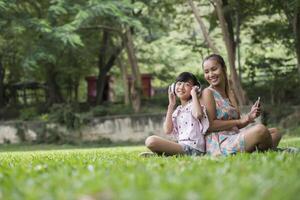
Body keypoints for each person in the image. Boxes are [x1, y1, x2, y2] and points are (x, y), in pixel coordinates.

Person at [201, 54, 282, 156]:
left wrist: (249, 117)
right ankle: (262, 150)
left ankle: (256, 151)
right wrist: (240, 120)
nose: (211, 74)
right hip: (219, 142)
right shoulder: (208, 92)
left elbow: (237, 125)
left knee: (275, 132)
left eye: (214, 69)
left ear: (224, 68)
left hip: (234, 135)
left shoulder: (230, 93)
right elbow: (210, 125)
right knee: (261, 130)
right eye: (206, 72)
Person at [141, 72, 209, 156]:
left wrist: (194, 94)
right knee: (150, 141)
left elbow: (198, 114)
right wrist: (171, 105)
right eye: (179, 83)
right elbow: (167, 130)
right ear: (173, 87)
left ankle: (164, 154)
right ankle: (166, 155)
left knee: (151, 141)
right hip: (182, 146)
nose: (181, 87)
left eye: (186, 84)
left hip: (195, 149)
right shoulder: (178, 110)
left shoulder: (195, 104)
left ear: (195, 88)